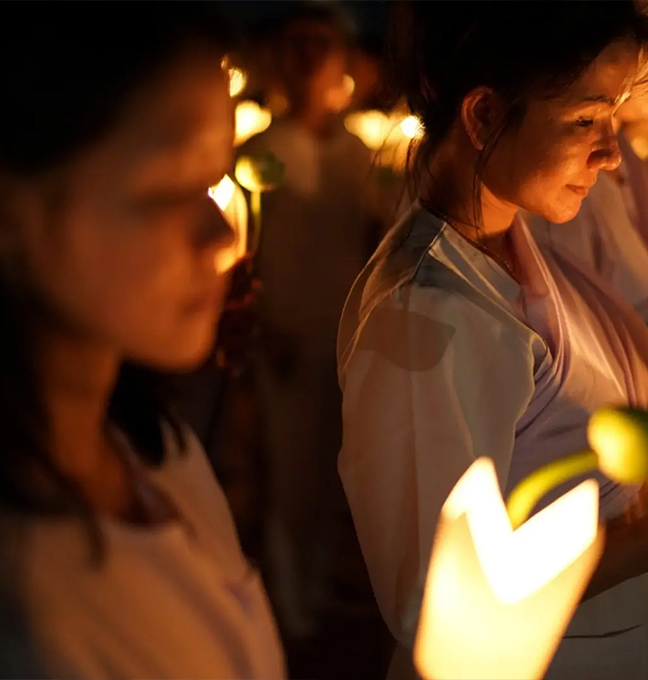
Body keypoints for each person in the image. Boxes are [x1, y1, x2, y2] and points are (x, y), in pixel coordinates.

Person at [337, 3, 648, 679]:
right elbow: (433, 595)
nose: (611, 153)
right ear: (485, 115)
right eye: (585, 121)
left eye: (612, 121)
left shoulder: (516, 250)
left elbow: (552, 472)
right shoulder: (423, 317)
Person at [0, 6, 285, 678]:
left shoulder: (154, 450)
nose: (222, 237)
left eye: (215, 179)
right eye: (170, 188)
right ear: (1, 207)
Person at [243, 1, 385, 643]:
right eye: (294, 45)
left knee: (335, 467)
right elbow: (239, 247)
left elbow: (378, 239)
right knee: (286, 468)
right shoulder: (256, 152)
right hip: (281, 334)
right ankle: (285, 598)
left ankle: (318, 580)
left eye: (319, 45)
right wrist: (259, 322)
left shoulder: (359, 154)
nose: (306, 59)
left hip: (344, 333)